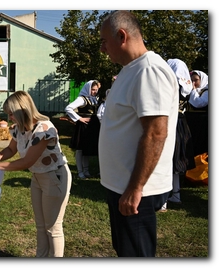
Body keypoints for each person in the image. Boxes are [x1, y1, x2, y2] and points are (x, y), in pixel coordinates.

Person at [98, 10, 178, 257]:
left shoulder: (149, 70)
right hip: (123, 185)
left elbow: (156, 133)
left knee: (136, 255)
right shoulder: (130, 70)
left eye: (104, 41)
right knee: (126, 251)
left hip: (136, 191)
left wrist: (135, 188)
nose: (102, 49)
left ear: (122, 36)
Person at [0, 91, 72, 257]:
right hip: (38, 177)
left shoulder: (44, 128)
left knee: (53, 228)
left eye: (11, 114)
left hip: (55, 178)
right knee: (40, 226)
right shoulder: (19, 129)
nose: (9, 118)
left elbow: (26, 162)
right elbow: (11, 149)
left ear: (22, 110)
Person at [160, 59, 196, 209]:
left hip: (170, 122)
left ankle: (163, 201)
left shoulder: (170, 85)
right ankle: (176, 195)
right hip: (182, 124)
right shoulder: (187, 87)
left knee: (166, 160)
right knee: (175, 161)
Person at [65, 80, 101, 179]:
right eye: (93, 90)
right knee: (80, 148)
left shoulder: (95, 99)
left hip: (92, 126)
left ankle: (86, 170)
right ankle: (80, 171)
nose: (94, 92)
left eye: (96, 90)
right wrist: (79, 118)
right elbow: (68, 108)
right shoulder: (82, 99)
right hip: (83, 126)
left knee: (87, 148)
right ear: (88, 89)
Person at [185, 70, 208, 156]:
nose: (193, 83)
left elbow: (198, 103)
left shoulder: (206, 91)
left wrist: (193, 91)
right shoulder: (191, 92)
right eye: (192, 80)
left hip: (201, 123)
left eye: (196, 80)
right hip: (191, 122)